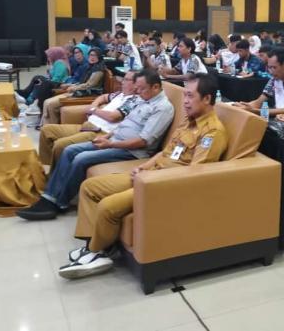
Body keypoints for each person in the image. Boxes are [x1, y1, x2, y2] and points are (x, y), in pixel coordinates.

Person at [58, 73, 227, 278]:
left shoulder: (212, 132)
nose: (185, 101)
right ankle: (95, 247)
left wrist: (150, 179)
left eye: (190, 96)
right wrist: (144, 167)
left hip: (161, 185)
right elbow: (165, 152)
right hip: (150, 174)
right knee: (89, 187)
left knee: (107, 206)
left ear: (207, 98)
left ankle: (95, 252)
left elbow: (194, 175)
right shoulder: (188, 121)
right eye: (184, 95)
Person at [18, 69, 174, 221]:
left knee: (81, 158)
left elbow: (143, 141)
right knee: (69, 150)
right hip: (114, 140)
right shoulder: (142, 99)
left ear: (155, 87)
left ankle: (59, 203)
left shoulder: (162, 108)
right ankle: (49, 197)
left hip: (132, 151)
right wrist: (107, 136)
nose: (138, 92)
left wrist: (110, 144)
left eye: (142, 88)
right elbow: (124, 124)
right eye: (137, 88)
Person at [39, 71, 138, 168]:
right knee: (47, 130)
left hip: (99, 132)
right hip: (87, 125)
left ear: (136, 84)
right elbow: (103, 97)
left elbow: (113, 117)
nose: (122, 82)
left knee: (60, 145)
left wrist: (93, 110)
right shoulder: (120, 94)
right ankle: (48, 167)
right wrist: (94, 105)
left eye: (126, 80)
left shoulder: (134, 100)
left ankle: (54, 174)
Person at [234, 47, 284, 117]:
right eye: (269, 67)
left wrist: (255, 111)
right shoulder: (274, 79)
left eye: (274, 67)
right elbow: (258, 102)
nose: (271, 71)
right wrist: (243, 106)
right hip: (283, 119)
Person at [40, 48, 106, 126]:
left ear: (99, 57)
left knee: (50, 104)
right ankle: (46, 126)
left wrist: (74, 88)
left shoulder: (98, 69)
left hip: (87, 94)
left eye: (94, 55)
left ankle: (51, 126)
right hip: (80, 91)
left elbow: (89, 85)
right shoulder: (90, 66)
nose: (92, 57)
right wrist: (71, 85)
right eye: (90, 55)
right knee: (47, 102)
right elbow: (82, 82)